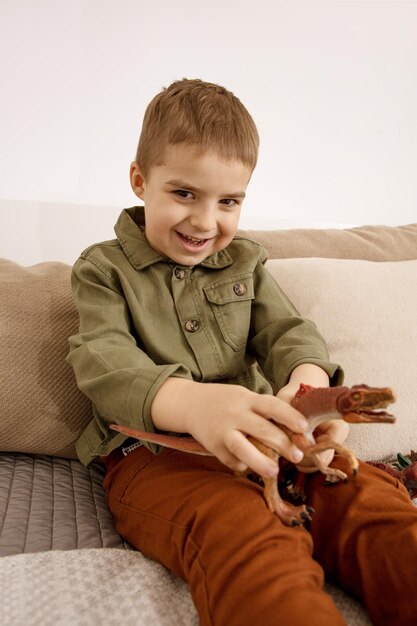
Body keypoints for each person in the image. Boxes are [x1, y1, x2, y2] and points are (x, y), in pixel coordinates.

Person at [67, 78, 417, 626]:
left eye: (227, 201)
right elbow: (104, 361)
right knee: (244, 537)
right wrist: (194, 405)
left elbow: (287, 332)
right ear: (140, 180)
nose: (206, 222)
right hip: (157, 459)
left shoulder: (246, 262)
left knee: (372, 508)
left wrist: (307, 389)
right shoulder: (101, 268)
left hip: (269, 440)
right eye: (184, 194)